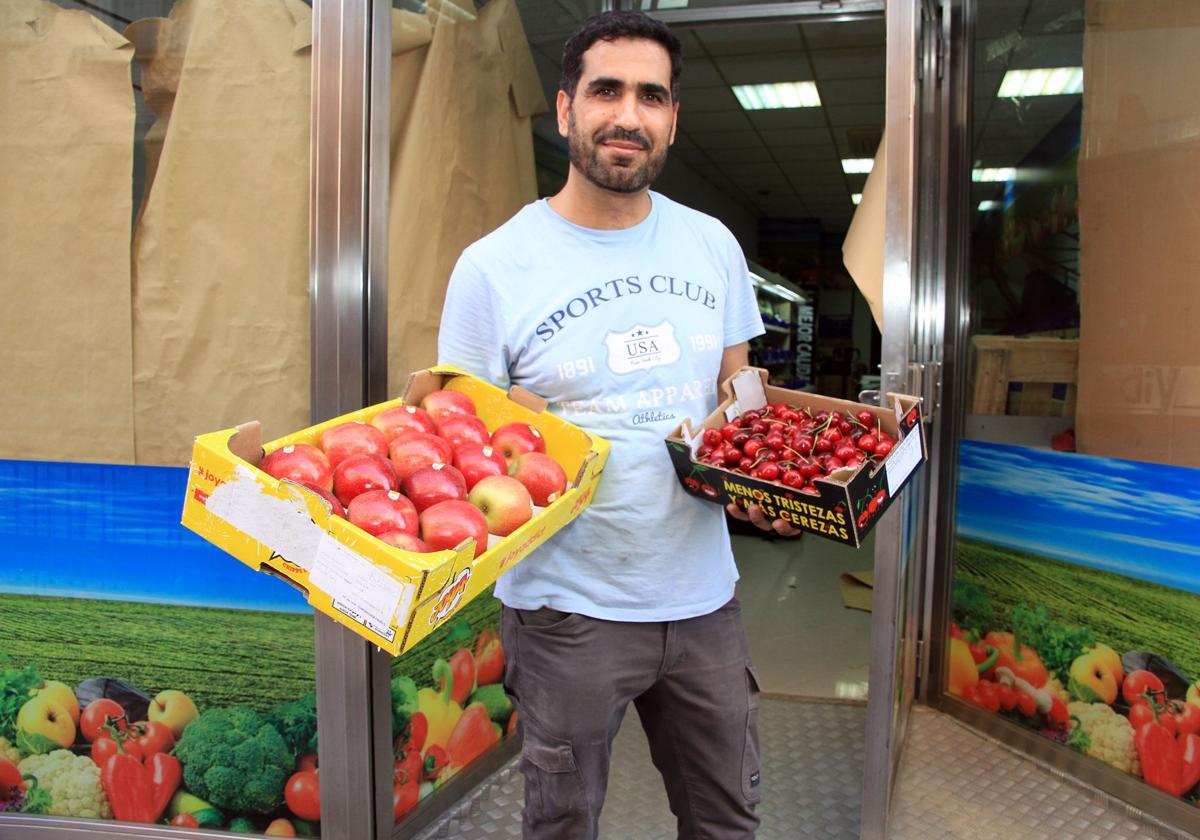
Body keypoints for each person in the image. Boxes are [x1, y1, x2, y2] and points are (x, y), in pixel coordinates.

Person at [437, 11, 799, 839]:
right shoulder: (494, 266)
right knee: (563, 823)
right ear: (565, 109)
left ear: (673, 118)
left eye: (651, 96)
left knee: (727, 819)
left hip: (706, 599)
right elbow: (464, 441)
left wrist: (760, 478)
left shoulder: (711, 245)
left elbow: (737, 392)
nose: (628, 115)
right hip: (568, 610)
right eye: (606, 90)